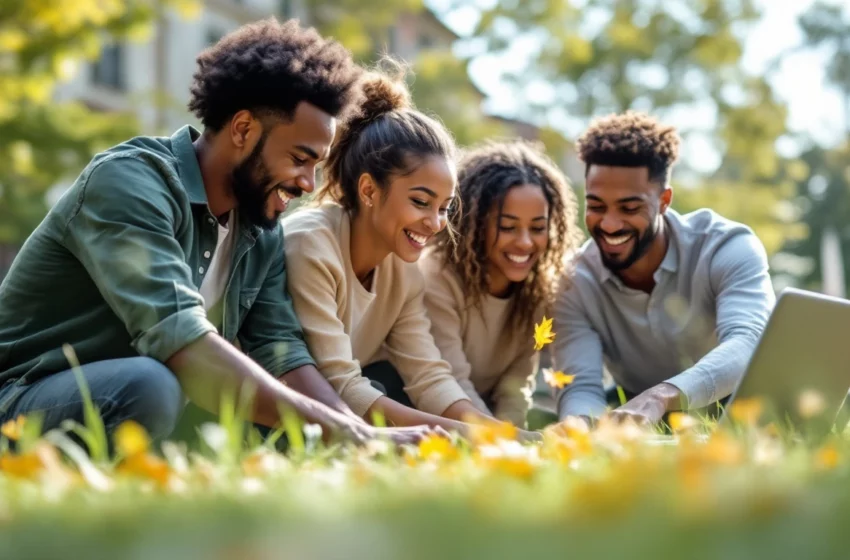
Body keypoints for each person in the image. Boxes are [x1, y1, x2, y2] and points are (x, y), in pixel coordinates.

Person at [0, 18, 434, 447]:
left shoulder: (260, 229)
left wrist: (362, 434)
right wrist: (346, 431)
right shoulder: (129, 183)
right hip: (22, 398)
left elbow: (280, 350)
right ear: (243, 130)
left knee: (264, 410)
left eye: (316, 167)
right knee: (153, 384)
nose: (307, 184)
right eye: (300, 158)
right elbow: (181, 340)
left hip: (135, 402)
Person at [282, 66, 513, 435]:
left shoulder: (404, 269)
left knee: (388, 379)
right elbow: (336, 381)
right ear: (369, 191)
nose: (436, 222)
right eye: (421, 202)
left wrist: (498, 433)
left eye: (444, 207)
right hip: (274, 409)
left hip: (335, 408)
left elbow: (427, 374)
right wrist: (464, 435)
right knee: (378, 385)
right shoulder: (310, 244)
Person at [552, 111, 776, 426]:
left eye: (630, 208)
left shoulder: (725, 246)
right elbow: (580, 384)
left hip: (744, 414)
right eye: (597, 206)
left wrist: (661, 396)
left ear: (664, 200)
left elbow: (748, 343)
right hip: (646, 424)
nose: (610, 224)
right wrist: (578, 428)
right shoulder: (573, 281)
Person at [418, 140, 583, 428]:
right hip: (427, 405)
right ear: (475, 222)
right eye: (507, 227)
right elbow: (450, 380)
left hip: (480, 409)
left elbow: (517, 383)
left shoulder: (538, 290)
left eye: (537, 228)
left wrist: (513, 431)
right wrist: (501, 438)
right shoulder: (437, 276)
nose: (525, 242)